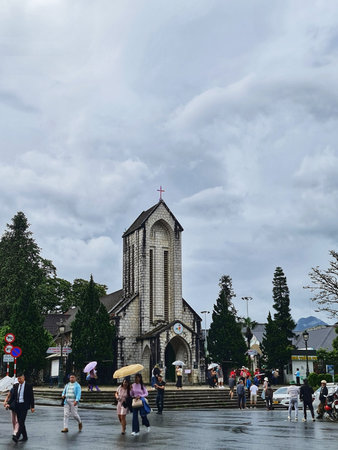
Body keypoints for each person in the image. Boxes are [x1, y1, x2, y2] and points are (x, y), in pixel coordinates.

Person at [11, 372, 35, 443]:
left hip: (24, 406)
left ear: (23, 378)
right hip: (17, 405)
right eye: (18, 379)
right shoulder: (16, 386)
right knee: (20, 422)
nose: (19, 380)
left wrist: (32, 406)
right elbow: (13, 397)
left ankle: (17, 436)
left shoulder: (28, 386)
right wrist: (8, 403)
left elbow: (31, 397)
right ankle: (25, 436)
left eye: (20, 378)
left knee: (21, 421)